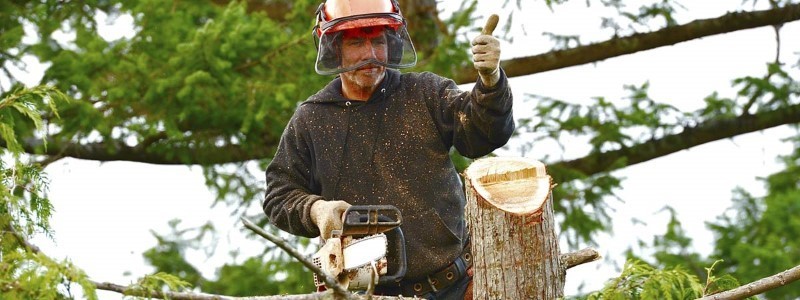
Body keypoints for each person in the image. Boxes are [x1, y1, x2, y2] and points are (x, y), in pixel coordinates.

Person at [263, 0, 513, 298]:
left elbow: (484, 134)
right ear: (333, 47)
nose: (370, 54)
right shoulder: (313, 119)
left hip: (457, 286)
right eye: (357, 42)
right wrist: (317, 211)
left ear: (392, 42)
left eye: (378, 41)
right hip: (370, 292)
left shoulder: (426, 93)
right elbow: (280, 194)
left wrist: (490, 81)